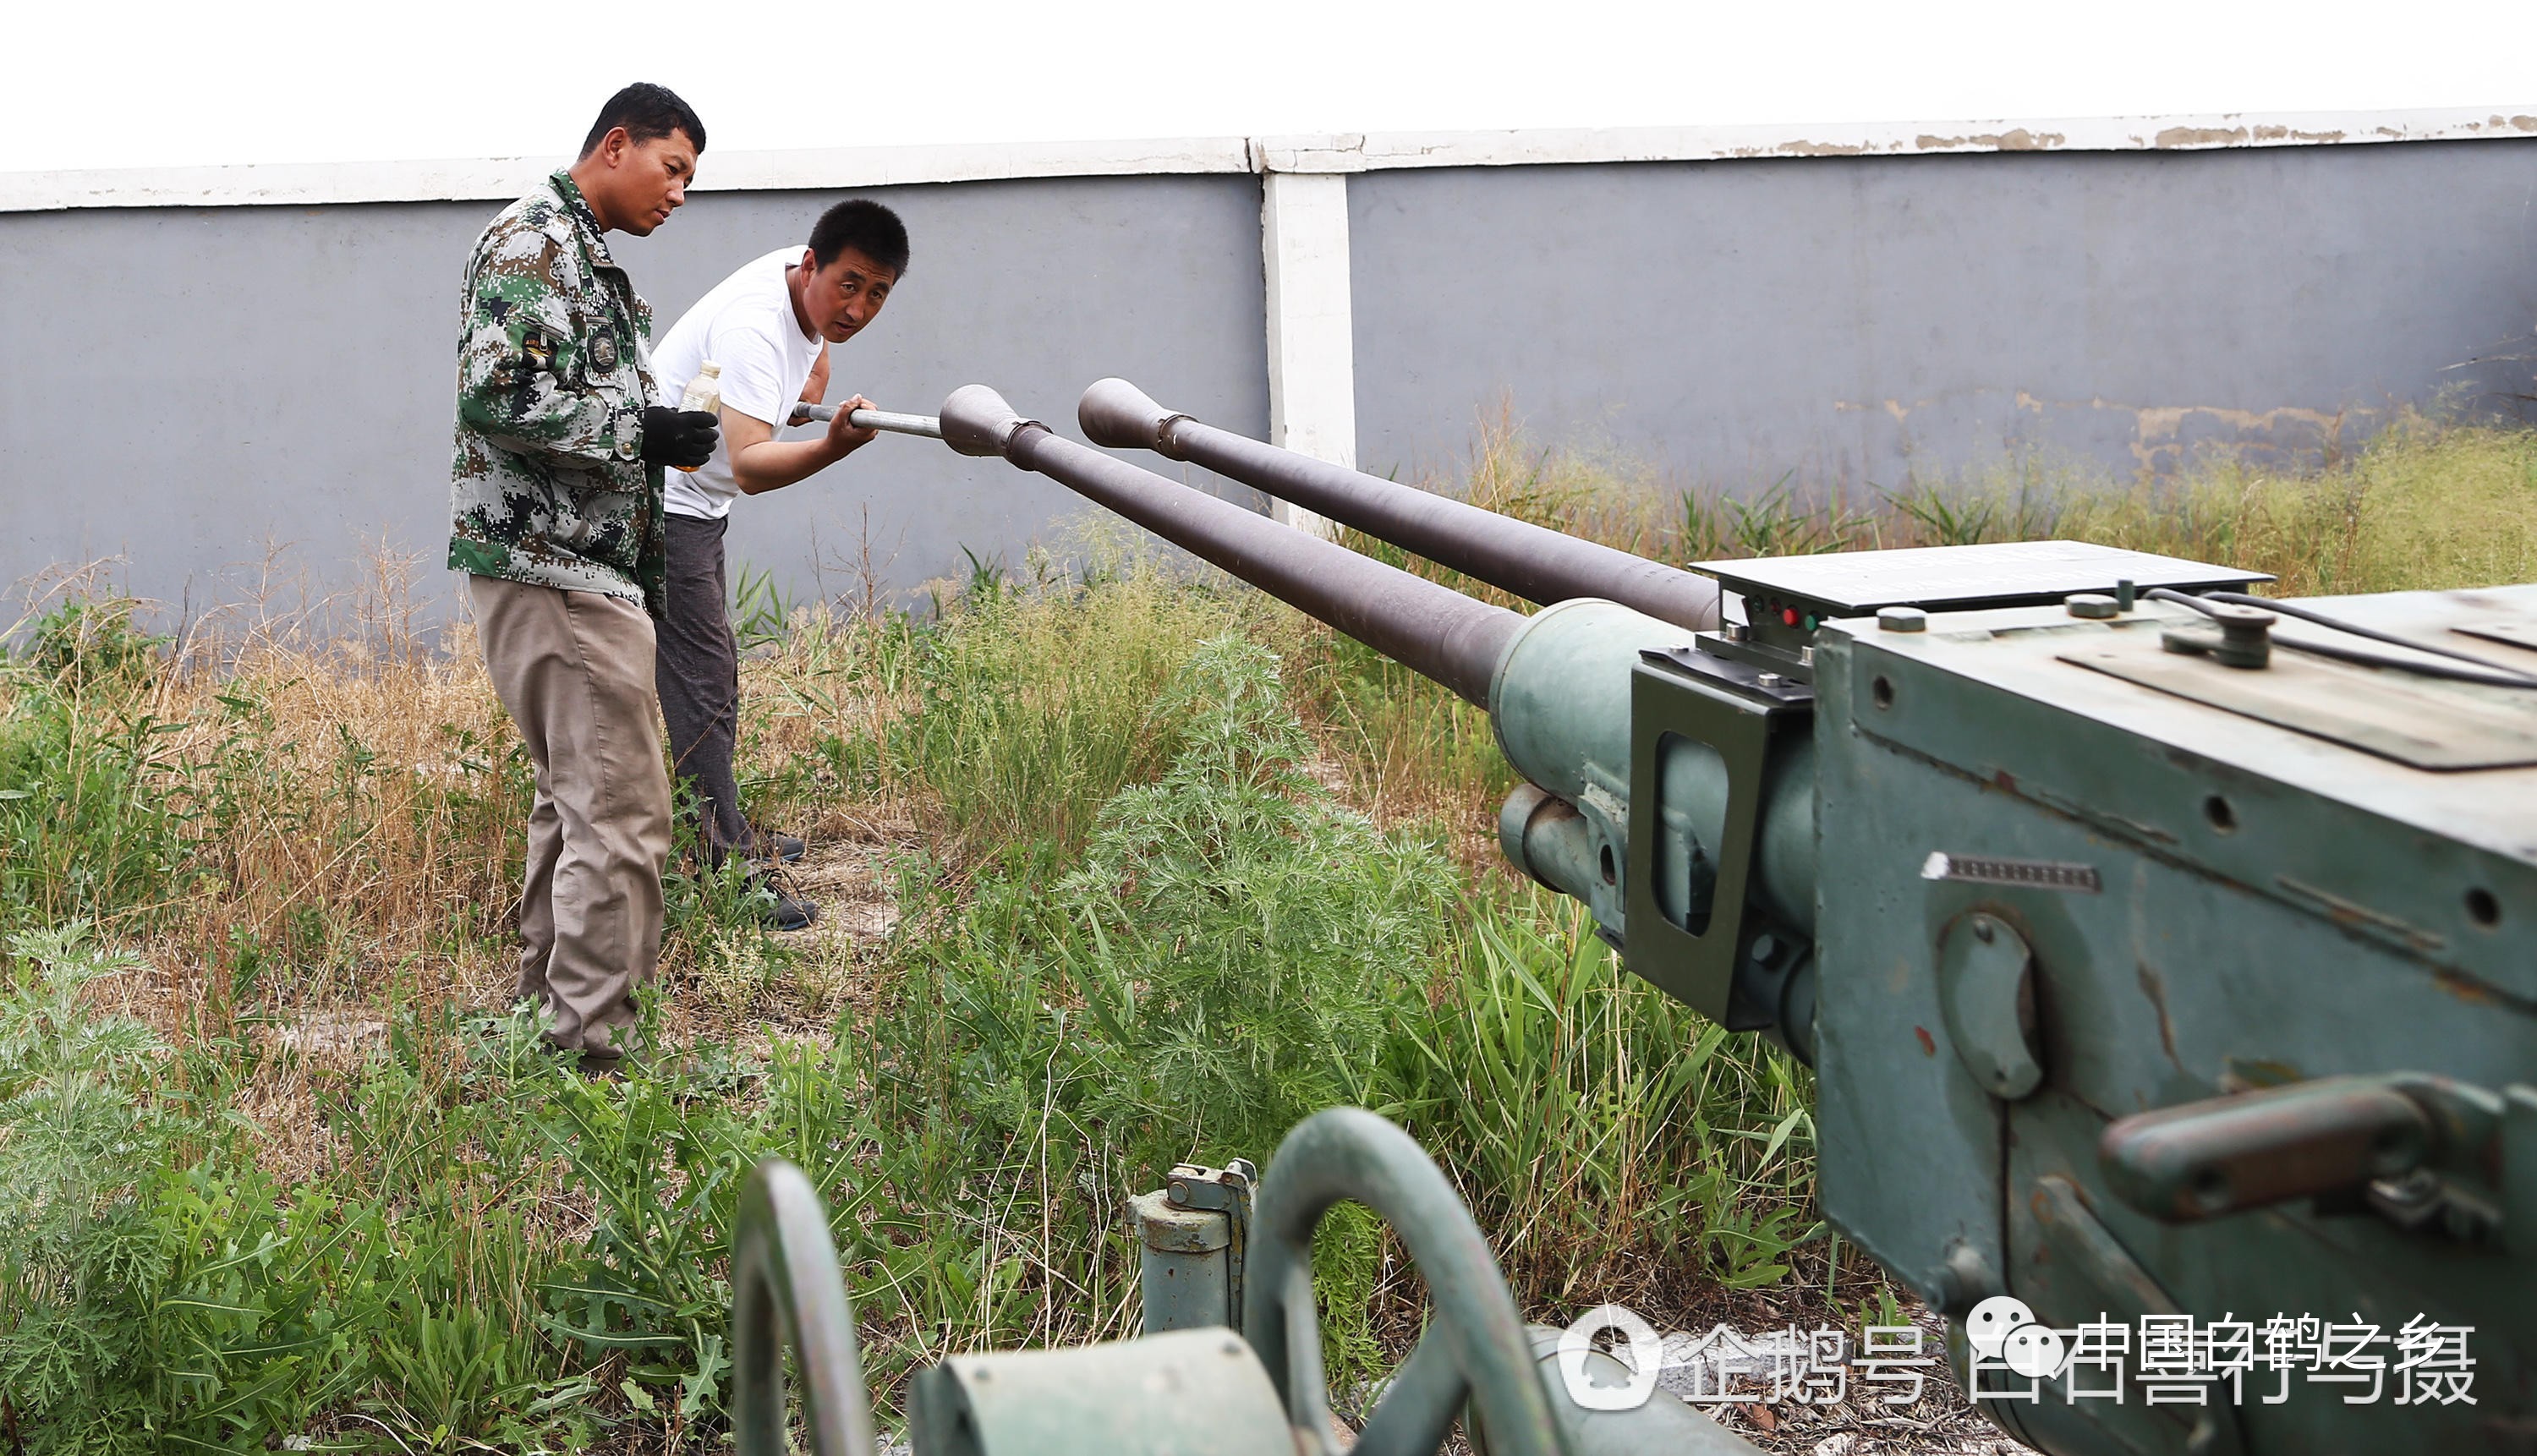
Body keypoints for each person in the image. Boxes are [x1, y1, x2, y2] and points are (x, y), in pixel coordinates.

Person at [448, 82, 719, 1071]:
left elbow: (567, 395)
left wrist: (657, 432)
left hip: (574, 565)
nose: (680, 194)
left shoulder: (583, 258)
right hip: (552, 566)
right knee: (621, 811)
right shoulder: (537, 244)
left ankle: (545, 1026)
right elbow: (499, 396)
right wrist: (637, 429)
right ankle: (592, 1058)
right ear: (616, 144)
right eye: (672, 168)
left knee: (576, 803)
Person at [649, 200, 911, 929]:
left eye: (877, 294)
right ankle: (722, 867)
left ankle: (720, 828)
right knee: (701, 679)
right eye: (848, 286)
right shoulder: (753, 331)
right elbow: (753, 466)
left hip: (693, 500)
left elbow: (815, 354)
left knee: (713, 669)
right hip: (660, 504)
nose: (857, 308)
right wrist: (830, 445)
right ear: (810, 268)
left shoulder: (805, 282)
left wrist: (808, 386)